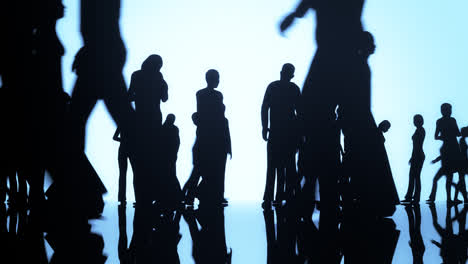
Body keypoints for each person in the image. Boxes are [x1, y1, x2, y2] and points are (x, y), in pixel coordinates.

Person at [186, 69, 232, 206]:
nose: (218, 81)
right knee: (211, 169)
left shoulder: (203, 95)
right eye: (217, 78)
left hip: (209, 137)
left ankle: (199, 194)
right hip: (212, 138)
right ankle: (197, 193)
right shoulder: (214, 96)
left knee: (207, 169)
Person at [127, 54, 168, 204]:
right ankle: (153, 194)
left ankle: (142, 195)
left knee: (140, 159)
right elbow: (165, 98)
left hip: (141, 119)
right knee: (153, 158)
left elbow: (129, 95)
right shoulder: (159, 77)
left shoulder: (137, 75)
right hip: (154, 120)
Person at [261, 63, 301, 208]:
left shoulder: (273, 87)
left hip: (277, 132)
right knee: (288, 166)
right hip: (288, 134)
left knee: (273, 166)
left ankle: (270, 197)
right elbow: (300, 113)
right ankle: (285, 196)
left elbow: (265, 107)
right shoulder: (294, 89)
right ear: (292, 75)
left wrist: (265, 127)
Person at [427, 103, 466, 203]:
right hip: (453, 149)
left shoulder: (439, 121)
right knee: (451, 176)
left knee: (449, 176)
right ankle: (450, 199)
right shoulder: (452, 120)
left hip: (447, 149)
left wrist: (444, 137)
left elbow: (436, 136)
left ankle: (449, 198)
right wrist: (450, 135)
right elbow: (458, 133)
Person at [402, 115, 425, 204]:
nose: (414, 122)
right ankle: (411, 197)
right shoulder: (419, 130)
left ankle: (414, 197)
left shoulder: (420, 130)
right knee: (414, 176)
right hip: (417, 155)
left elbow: (417, 146)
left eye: (415, 120)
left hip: (418, 155)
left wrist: (413, 156)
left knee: (415, 176)